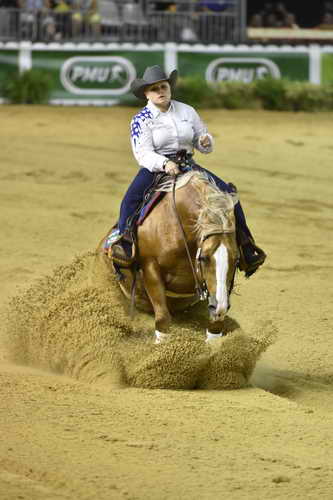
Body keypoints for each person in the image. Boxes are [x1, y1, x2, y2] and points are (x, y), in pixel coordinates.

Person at [110, 65, 266, 278]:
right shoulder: (141, 119)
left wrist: (205, 141)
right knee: (130, 200)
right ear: (146, 93)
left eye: (163, 86)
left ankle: (247, 247)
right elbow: (143, 153)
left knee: (229, 196)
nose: (160, 91)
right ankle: (125, 244)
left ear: (169, 87)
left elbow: (204, 141)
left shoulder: (187, 111)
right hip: (155, 168)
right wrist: (165, 164)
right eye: (154, 88)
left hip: (187, 164)